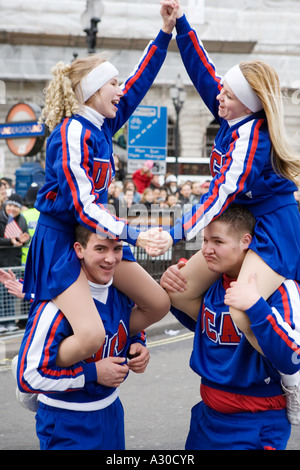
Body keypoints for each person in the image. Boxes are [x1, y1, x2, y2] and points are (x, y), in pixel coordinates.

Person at [22, 4, 178, 368]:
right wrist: (133, 234)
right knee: (89, 334)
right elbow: (82, 205)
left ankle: (115, 344)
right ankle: (44, 369)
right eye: (113, 84)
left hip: (94, 235)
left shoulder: (102, 124)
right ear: (92, 90)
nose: (121, 90)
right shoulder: (73, 131)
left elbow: (139, 83)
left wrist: (165, 32)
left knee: (157, 303)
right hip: (63, 242)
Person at [157, 0, 300, 328]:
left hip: (271, 231)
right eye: (223, 91)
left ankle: (289, 372)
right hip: (240, 226)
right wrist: (181, 22)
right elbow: (201, 70)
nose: (219, 96)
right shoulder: (230, 114)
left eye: (229, 95)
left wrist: (176, 232)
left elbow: (224, 191)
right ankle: (224, 339)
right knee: (177, 292)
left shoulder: (253, 137)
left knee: (243, 312)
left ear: (248, 105)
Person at [161, 204, 300, 450]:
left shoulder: (281, 289)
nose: (206, 250)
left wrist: (256, 307)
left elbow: (291, 358)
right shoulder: (213, 284)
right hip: (207, 418)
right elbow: (205, 330)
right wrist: (174, 284)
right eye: (204, 240)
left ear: (246, 241)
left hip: (255, 423)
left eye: (217, 241)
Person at [16, 227, 152, 450]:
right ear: (79, 249)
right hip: (67, 420)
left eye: (117, 249)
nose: (110, 258)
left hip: (112, 411)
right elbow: (28, 377)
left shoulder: (123, 291)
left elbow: (126, 325)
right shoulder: (54, 306)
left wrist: (138, 343)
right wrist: (92, 373)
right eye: (100, 248)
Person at [0, 193, 30, 333]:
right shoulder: (0, 218)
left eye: (15, 206)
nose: (11, 209)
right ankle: (2, 321)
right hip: (1, 262)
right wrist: (9, 241)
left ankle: (11, 321)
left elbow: (24, 237)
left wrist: (25, 240)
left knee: (11, 293)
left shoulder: (22, 220)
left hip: (14, 261)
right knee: (1, 295)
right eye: (10, 205)